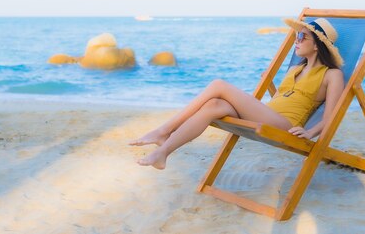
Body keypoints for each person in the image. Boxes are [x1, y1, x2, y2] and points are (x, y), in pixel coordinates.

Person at [129, 17, 345, 170]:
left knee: (219, 85)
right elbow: (285, 97)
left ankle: (164, 130)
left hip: (285, 126)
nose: (296, 41)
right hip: (270, 114)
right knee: (214, 105)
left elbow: (331, 115)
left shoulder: (332, 75)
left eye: (302, 37)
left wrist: (310, 133)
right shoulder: (295, 69)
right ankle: (163, 152)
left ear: (317, 45)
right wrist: (270, 87)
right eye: (297, 36)